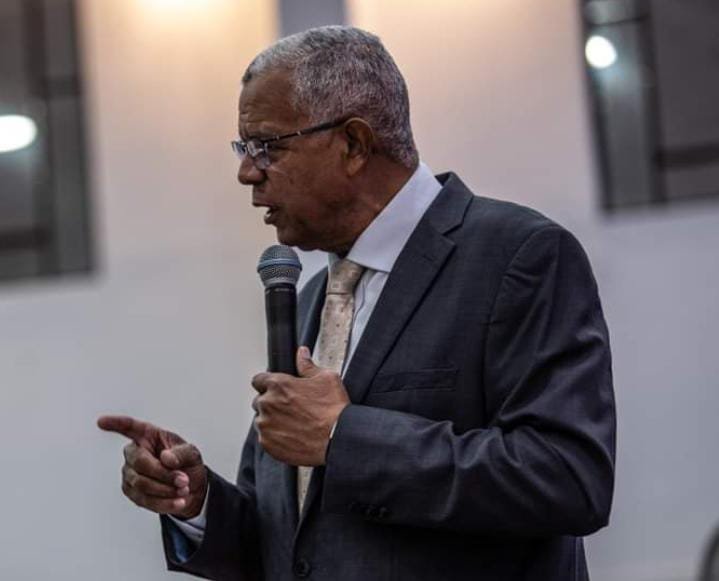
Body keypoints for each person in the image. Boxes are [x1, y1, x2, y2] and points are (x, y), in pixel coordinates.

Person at [98, 25, 616, 581]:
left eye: (267, 146)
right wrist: (196, 501)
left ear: (353, 144)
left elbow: (568, 479)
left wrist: (343, 436)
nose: (247, 173)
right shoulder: (310, 300)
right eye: (244, 149)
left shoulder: (516, 257)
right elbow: (295, 548)